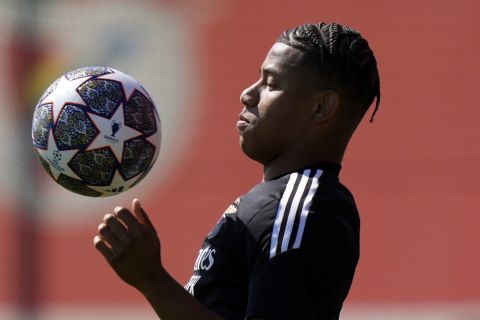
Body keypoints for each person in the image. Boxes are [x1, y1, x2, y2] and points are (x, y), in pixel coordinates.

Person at [93, 22, 380, 320]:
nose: (247, 94)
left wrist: (153, 280)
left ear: (321, 107)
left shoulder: (302, 211)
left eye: (270, 83)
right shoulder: (282, 201)